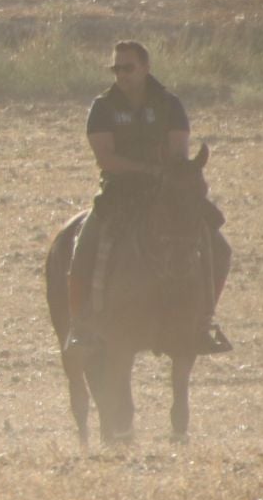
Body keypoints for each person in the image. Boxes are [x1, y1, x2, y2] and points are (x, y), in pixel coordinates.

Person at [64, 40, 230, 363]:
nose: (121, 75)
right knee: (83, 248)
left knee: (219, 246)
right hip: (119, 193)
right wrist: (146, 168)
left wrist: (163, 174)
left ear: (145, 68)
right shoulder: (103, 107)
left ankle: (203, 321)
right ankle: (81, 324)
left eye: (128, 68)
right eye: (116, 69)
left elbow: (179, 153)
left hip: (166, 192)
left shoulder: (170, 105)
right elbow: (106, 158)